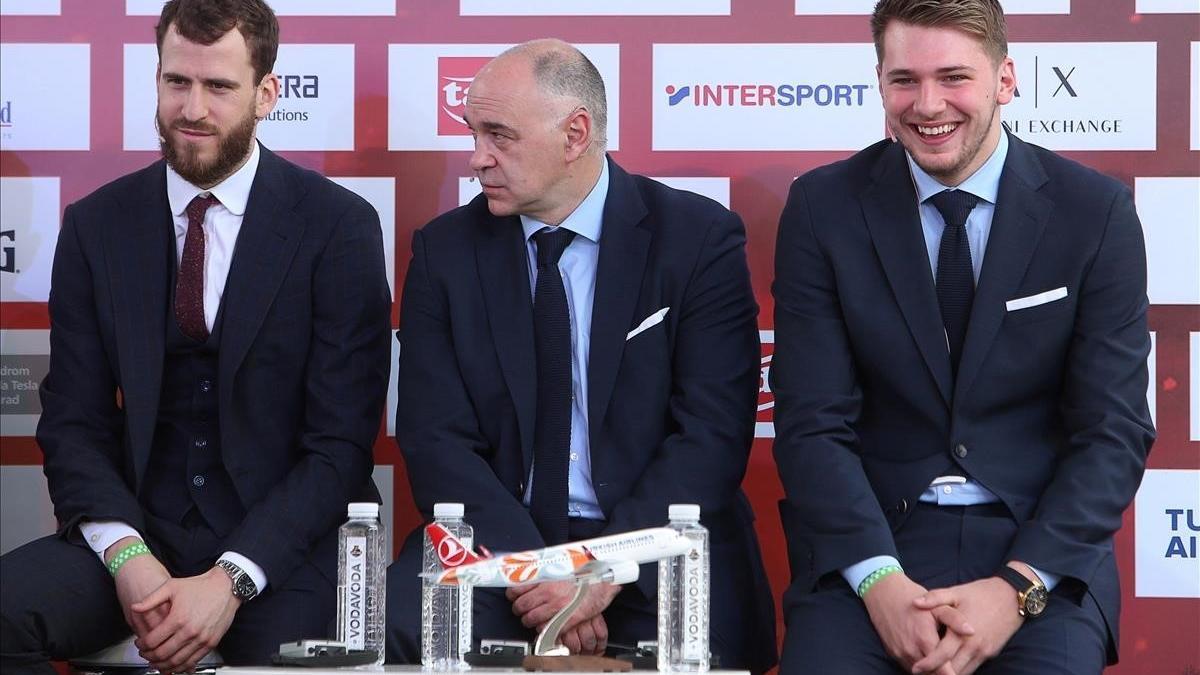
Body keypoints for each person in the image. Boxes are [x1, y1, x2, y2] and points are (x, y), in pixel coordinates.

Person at [0, 0, 391, 672]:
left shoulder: (338, 227)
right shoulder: (96, 226)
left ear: (267, 94)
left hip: (283, 548)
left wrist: (232, 577)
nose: (193, 109)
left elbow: (340, 446)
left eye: (219, 87)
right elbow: (74, 423)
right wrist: (127, 556)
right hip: (137, 536)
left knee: (294, 661)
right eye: (176, 81)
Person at [770, 1, 1154, 673]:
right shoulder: (821, 208)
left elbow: (1112, 430)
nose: (927, 105)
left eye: (953, 77)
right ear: (880, 81)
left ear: (1006, 79)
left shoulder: (1094, 213)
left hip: (1037, 554)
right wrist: (877, 580)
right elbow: (811, 420)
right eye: (903, 80)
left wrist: (1018, 589)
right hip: (872, 547)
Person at [385, 39, 776, 670]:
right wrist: (540, 578)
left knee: (708, 649)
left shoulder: (697, 239)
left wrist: (599, 571)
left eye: (499, 135)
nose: (477, 158)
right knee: (402, 625)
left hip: (657, 551)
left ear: (575, 133)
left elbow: (711, 435)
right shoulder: (444, 251)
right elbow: (436, 440)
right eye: (472, 132)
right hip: (499, 550)